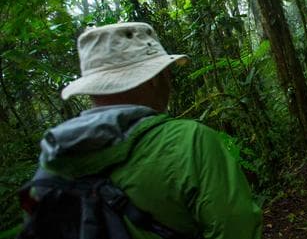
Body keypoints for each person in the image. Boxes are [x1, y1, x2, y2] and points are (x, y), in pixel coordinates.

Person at [20, 22, 262, 239]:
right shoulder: (190, 141)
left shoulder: (51, 162)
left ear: (92, 87)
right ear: (155, 77)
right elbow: (236, 227)